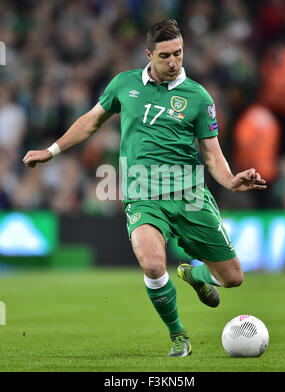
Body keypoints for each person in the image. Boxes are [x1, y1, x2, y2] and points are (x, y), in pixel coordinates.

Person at [23, 19, 267, 357]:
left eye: (179, 54)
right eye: (165, 55)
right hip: (142, 194)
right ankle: (179, 335)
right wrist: (51, 151)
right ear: (148, 53)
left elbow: (212, 155)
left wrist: (231, 180)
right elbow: (91, 121)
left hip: (189, 196)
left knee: (232, 279)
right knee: (153, 265)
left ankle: (195, 274)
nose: (174, 62)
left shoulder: (198, 97)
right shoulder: (124, 85)